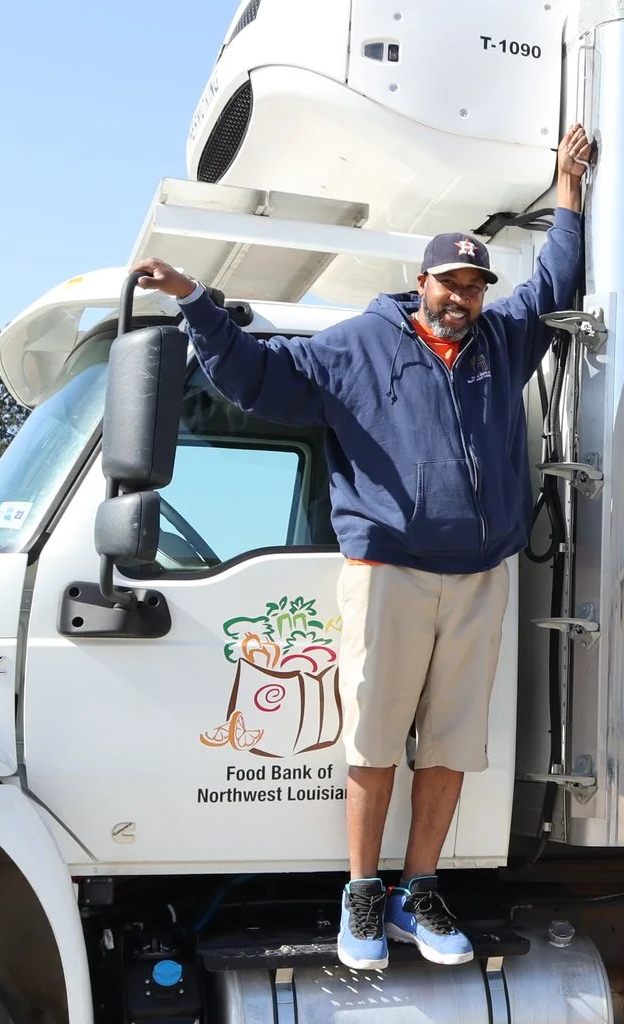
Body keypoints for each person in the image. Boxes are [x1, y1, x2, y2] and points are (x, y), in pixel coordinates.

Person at [131, 124, 594, 970]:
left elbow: (558, 278)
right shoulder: (359, 344)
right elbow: (254, 377)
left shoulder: (501, 343)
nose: (464, 296)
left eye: (476, 284)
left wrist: (568, 188)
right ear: (420, 282)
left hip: (481, 576)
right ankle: (361, 895)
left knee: (451, 745)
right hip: (387, 571)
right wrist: (197, 300)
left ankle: (420, 894)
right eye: (451, 282)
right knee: (373, 742)